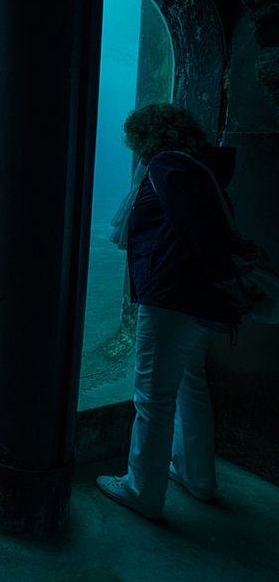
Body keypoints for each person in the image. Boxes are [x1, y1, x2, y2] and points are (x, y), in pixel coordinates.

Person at [97, 103, 256, 521]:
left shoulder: (167, 166)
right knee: (190, 383)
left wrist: (220, 279)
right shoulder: (197, 167)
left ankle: (142, 490)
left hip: (172, 294)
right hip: (199, 298)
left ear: (145, 137)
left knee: (152, 394)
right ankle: (197, 476)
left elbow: (195, 230)